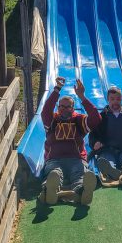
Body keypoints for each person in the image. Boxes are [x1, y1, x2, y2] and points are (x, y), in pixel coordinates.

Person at [39, 77, 102, 205]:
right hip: (54, 159)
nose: (64, 109)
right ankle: (49, 189)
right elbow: (46, 110)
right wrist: (57, 89)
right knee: (55, 172)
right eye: (61, 106)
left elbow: (96, 118)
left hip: (76, 159)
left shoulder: (79, 120)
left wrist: (82, 97)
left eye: (68, 107)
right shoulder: (52, 120)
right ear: (58, 107)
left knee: (78, 174)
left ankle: (82, 191)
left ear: (73, 108)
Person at [89, 86, 122, 185]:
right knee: (106, 160)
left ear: (121, 99)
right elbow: (93, 134)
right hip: (107, 148)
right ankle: (111, 171)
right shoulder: (102, 116)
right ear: (108, 100)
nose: (115, 102)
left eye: (118, 99)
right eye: (112, 99)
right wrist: (95, 143)